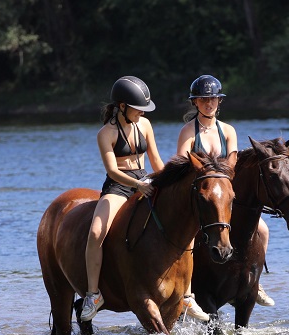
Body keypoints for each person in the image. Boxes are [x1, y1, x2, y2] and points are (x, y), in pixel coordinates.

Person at [176, 75, 275, 310]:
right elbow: (182, 163)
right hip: (199, 192)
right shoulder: (188, 131)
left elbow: (232, 161)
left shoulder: (228, 130)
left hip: (223, 190)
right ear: (195, 102)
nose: (209, 103)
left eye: (213, 99)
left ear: (219, 102)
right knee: (187, 237)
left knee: (263, 228)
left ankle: (255, 282)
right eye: (203, 99)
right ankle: (186, 291)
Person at [81, 76, 165, 321]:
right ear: (122, 106)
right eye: (138, 108)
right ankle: (93, 294)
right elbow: (112, 171)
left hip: (145, 181)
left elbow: (156, 160)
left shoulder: (145, 125)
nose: (141, 113)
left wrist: (162, 180)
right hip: (119, 187)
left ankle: (186, 294)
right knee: (96, 232)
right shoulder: (105, 134)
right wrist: (137, 185)